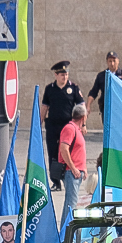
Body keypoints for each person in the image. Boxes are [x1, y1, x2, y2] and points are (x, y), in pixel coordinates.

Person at [42, 61, 85, 190]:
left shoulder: (74, 88)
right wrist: (38, 124)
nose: (64, 77)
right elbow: (44, 107)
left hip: (68, 127)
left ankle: (68, 178)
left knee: (68, 153)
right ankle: (56, 181)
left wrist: (83, 124)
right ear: (56, 75)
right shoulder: (50, 89)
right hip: (53, 127)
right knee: (53, 154)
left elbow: (81, 106)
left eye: (66, 74)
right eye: (62, 74)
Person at [59, 104, 88, 218]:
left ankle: (66, 231)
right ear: (84, 117)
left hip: (76, 172)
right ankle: (66, 232)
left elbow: (78, 152)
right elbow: (64, 149)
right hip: (72, 173)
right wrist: (73, 168)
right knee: (71, 204)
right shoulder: (70, 128)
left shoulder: (76, 129)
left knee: (72, 203)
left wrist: (83, 168)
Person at [85, 51, 119, 118]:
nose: (112, 64)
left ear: (118, 61)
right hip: (106, 107)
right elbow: (94, 92)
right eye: (110, 61)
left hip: (119, 108)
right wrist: (88, 106)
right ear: (107, 62)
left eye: (114, 61)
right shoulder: (101, 76)